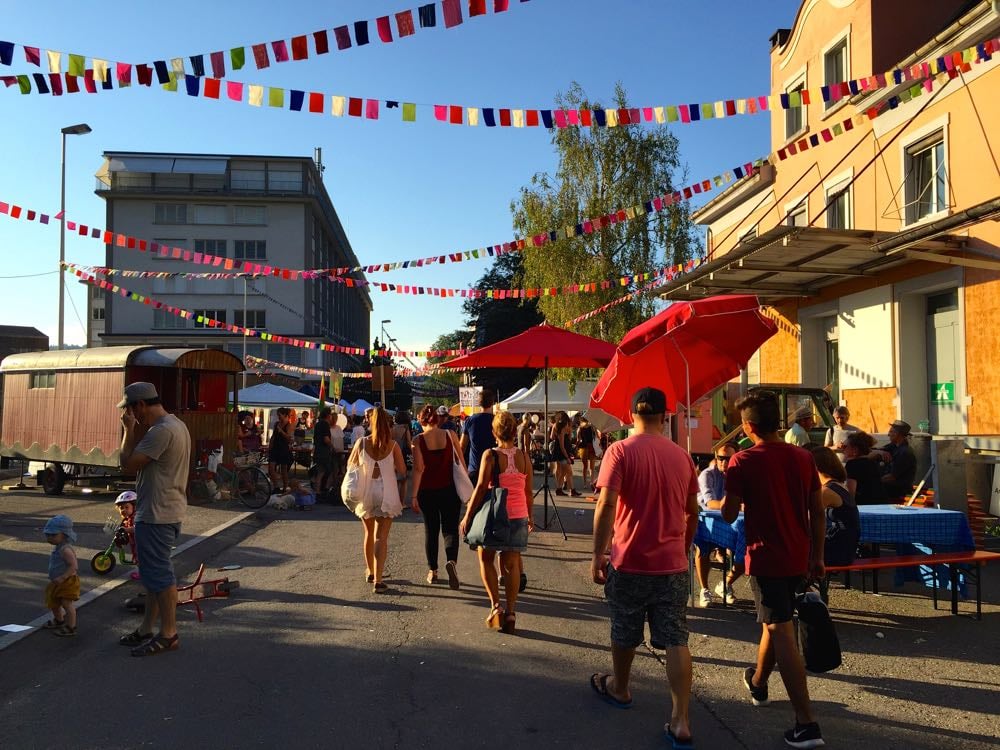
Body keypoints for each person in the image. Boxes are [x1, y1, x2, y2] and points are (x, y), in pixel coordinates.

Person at [590, 387, 699, 747]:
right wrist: (683, 548)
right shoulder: (682, 457)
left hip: (630, 559)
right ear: (665, 415)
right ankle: (680, 719)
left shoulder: (619, 451)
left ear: (630, 413)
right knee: (676, 638)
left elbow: (606, 505)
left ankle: (620, 688)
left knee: (624, 628)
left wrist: (597, 554)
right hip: (672, 565)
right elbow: (692, 511)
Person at [722, 391, 825, 749]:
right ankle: (759, 682)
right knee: (774, 620)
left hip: (765, 556)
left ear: (749, 426)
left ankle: (806, 721)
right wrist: (818, 556)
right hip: (799, 553)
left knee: (781, 629)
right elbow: (818, 510)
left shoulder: (742, 462)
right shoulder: (803, 457)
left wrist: (726, 487)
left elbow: (729, 514)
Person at [118, 382, 192, 657]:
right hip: (167, 509)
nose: (131, 415)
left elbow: (127, 464)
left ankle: (169, 633)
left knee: (160, 576)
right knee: (152, 576)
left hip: (157, 513)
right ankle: (148, 627)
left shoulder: (160, 431)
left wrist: (128, 431)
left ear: (140, 405)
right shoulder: (177, 425)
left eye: (130, 409)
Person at [460, 410, 533, 634]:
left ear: (494, 432)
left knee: (485, 557)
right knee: (512, 566)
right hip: (518, 513)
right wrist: (530, 516)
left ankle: (496, 606)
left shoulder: (490, 455)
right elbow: (528, 491)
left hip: (495, 516)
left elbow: (482, 487)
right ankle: (511, 612)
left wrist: (468, 515)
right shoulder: (523, 456)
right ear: (513, 431)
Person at [344, 406, 406, 593]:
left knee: (368, 534)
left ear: (370, 422)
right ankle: (378, 579)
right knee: (382, 537)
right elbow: (403, 471)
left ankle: (370, 571)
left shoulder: (362, 443)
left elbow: (350, 465)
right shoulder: (393, 445)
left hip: (367, 491)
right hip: (387, 492)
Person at [410, 404, 466, 588]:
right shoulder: (451, 435)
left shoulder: (418, 440)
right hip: (449, 489)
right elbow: (461, 462)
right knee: (450, 529)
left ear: (421, 421)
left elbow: (418, 469)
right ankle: (452, 561)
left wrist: (414, 495)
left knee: (431, 530)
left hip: (427, 491)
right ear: (436, 419)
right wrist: (467, 486)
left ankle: (432, 570)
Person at [695, 443, 744, 607]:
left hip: (733, 520)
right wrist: (734, 503)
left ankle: (726, 583)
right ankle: (704, 589)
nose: (723, 462)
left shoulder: (738, 475)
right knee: (703, 547)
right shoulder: (707, 475)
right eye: (720, 458)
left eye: (728, 459)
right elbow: (710, 503)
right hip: (707, 520)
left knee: (749, 547)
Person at [810, 447, 859, 567]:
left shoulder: (826, 492)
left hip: (836, 551)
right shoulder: (839, 485)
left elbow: (807, 519)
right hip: (847, 550)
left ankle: (799, 585)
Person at [42, 515, 80, 637]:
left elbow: (73, 566)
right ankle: (59, 620)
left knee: (66, 604)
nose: (49, 538)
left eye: (53, 535)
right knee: (53, 602)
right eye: (48, 535)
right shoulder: (58, 547)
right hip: (56, 581)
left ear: (64, 535)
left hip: (67, 581)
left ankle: (71, 626)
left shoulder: (65, 550)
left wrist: (63, 577)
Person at [460, 390, 498, 488]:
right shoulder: (497, 421)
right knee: (493, 501)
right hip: (494, 467)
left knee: (474, 500)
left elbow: (462, 447)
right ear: (492, 403)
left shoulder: (470, 421)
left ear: (478, 403)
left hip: (474, 468)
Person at [874, 420, 917, 500]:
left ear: (897, 434)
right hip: (888, 489)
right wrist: (879, 452)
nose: (888, 434)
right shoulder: (893, 446)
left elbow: (891, 477)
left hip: (897, 491)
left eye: (891, 432)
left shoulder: (904, 453)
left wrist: (873, 482)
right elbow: (873, 450)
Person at [842, 431, 887, 505]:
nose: (843, 450)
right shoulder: (872, 462)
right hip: (880, 504)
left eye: (845, 447)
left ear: (855, 450)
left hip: (865, 507)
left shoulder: (853, 464)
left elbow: (850, 493)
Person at [268, 407, 294, 492]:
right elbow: (273, 436)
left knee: (283, 470)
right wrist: (270, 446)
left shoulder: (288, 425)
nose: (278, 417)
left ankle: (285, 487)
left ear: (285, 415)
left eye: (280, 415)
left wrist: (281, 431)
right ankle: (276, 486)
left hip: (283, 449)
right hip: (275, 448)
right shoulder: (276, 424)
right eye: (278, 415)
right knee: (271, 468)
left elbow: (289, 438)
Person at [391, 410, 413, 507]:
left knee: (394, 479)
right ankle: (401, 503)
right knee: (403, 480)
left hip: (392, 453)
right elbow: (408, 442)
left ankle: (393, 501)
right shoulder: (405, 428)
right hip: (403, 454)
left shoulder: (392, 428)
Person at [313, 407, 335, 498]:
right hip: (324, 452)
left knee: (320, 472)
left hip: (318, 450)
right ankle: (323, 490)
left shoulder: (318, 424)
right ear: (328, 415)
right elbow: (326, 439)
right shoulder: (325, 425)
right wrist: (332, 446)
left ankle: (318, 491)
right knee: (329, 471)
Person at [576, 416, 597, 489]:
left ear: (581, 421)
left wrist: (576, 445)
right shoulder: (592, 426)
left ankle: (585, 483)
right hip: (592, 447)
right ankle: (592, 482)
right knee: (592, 467)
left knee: (585, 466)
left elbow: (578, 439)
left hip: (583, 447)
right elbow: (596, 436)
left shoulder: (579, 428)